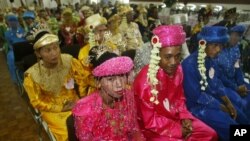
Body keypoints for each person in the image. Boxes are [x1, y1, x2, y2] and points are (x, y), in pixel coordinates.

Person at [133, 25, 218, 140]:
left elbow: (179, 99)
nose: (174, 62)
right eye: (168, 57)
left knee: (210, 134)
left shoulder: (178, 70)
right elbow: (149, 120)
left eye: (177, 56)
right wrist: (178, 130)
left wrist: (185, 117)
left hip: (176, 117)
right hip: (153, 128)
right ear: (157, 54)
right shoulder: (145, 81)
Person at [182, 26, 249, 141]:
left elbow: (216, 83)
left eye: (220, 45)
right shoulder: (188, 65)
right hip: (198, 108)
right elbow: (196, 97)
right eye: (215, 45)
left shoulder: (210, 60)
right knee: (230, 126)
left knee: (239, 115)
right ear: (203, 44)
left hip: (212, 101)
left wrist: (228, 103)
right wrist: (222, 107)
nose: (218, 49)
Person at [23, 27, 89, 140]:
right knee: (69, 133)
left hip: (75, 102)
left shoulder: (69, 61)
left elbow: (82, 79)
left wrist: (82, 99)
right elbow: (36, 102)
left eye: (56, 48)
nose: (54, 53)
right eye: (48, 50)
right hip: (53, 111)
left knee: (91, 123)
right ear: (38, 54)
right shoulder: (32, 75)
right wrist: (60, 108)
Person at [73, 46, 144, 140]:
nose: (119, 84)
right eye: (110, 79)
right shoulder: (86, 110)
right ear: (97, 82)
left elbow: (135, 131)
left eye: (122, 75)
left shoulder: (128, 96)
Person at [216, 25, 250, 117]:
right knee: (239, 102)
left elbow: (238, 67)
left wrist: (241, 83)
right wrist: (235, 88)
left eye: (238, 35)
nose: (236, 38)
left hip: (233, 81)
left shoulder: (236, 49)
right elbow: (219, 76)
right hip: (222, 85)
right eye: (233, 35)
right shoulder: (217, 50)